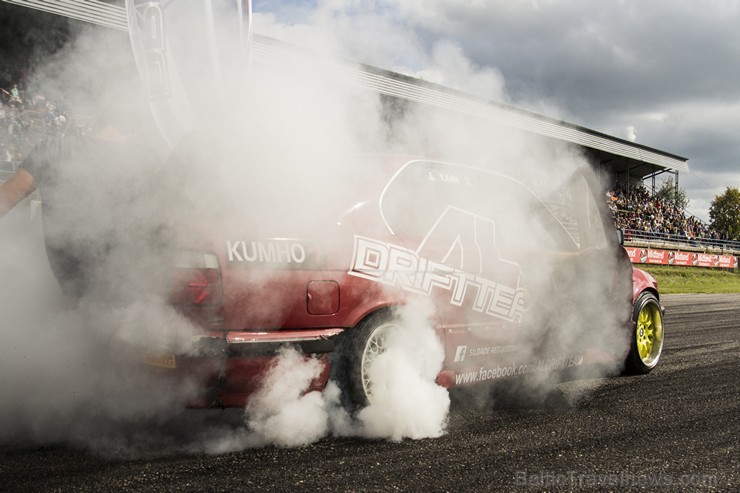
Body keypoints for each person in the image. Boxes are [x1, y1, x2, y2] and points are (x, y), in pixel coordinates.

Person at [0, 101, 159, 300]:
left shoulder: (53, 148)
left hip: (67, 291)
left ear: (98, 121)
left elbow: (4, 200)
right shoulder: (147, 162)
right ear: (135, 131)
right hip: (129, 295)